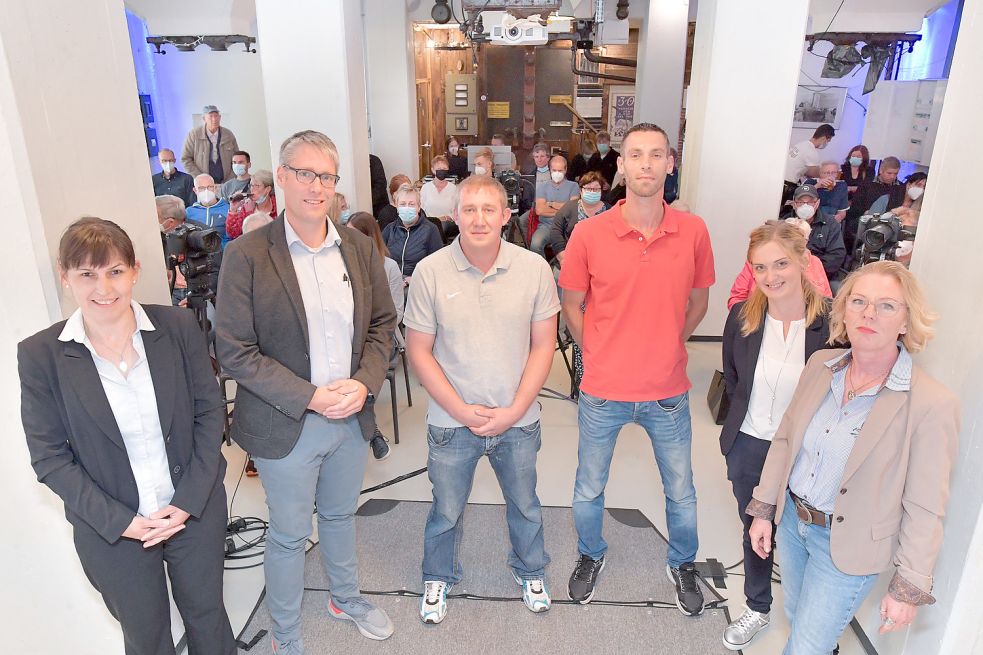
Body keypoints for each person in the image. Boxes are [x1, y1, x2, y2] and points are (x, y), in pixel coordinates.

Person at [215, 130, 398, 653]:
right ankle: (286, 636)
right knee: (290, 534)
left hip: (351, 416)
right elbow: (233, 348)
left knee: (341, 514)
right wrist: (311, 397)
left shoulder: (359, 248)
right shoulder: (247, 255)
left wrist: (364, 384)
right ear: (283, 176)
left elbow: (384, 324)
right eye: (305, 173)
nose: (317, 186)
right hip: (285, 421)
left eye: (327, 176)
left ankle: (345, 597)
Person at [19, 217, 236, 655]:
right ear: (66, 277)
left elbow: (210, 415)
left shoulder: (175, 328)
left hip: (192, 507)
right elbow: (49, 458)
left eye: (115, 271)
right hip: (112, 527)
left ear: (135, 270)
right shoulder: (41, 354)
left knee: (208, 619)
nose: (104, 288)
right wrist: (123, 523)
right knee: (145, 636)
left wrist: (186, 504)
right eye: (87, 274)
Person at [747, 261, 960, 654]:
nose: (868, 314)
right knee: (797, 617)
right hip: (794, 524)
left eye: (886, 306)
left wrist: (909, 587)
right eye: (858, 301)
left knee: (806, 647)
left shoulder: (931, 404)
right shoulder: (819, 368)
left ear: (906, 321)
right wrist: (764, 508)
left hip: (848, 547)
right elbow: (785, 439)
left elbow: (926, 505)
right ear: (843, 310)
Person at [558, 123, 715, 615]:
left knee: (682, 490)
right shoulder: (589, 232)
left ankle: (682, 562)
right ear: (619, 166)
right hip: (603, 389)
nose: (646, 164)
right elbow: (572, 306)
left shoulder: (693, 230)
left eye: (656, 155)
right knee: (588, 486)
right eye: (635, 155)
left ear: (671, 163)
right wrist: (600, 354)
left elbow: (699, 301)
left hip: (667, 391)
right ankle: (590, 554)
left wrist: (669, 343)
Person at [406, 174, 560, 624]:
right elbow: (419, 349)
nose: (478, 219)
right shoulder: (431, 272)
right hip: (452, 424)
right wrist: (459, 409)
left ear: (505, 216)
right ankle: (438, 575)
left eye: (488, 209)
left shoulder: (533, 270)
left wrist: (513, 411)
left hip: (519, 419)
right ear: (455, 216)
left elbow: (543, 347)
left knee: (525, 503)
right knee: (446, 510)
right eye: (469, 209)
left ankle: (531, 570)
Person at [719, 221, 831, 650]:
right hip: (749, 444)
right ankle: (757, 606)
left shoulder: (831, 324)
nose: (771, 276)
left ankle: (811, 623)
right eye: (760, 267)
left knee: (806, 538)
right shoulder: (742, 318)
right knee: (755, 530)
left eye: (781, 263)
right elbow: (733, 380)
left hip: (805, 453)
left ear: (804, 261)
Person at [348, 211, 405, 461]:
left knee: (362, 369)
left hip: (382, 339)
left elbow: (397, 314)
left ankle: (369, 433)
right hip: (350, 340)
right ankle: (372, 433)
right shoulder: (342, 264)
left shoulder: (389, 267)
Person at [381, 183, 443, 284]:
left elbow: (437, 264)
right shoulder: (390, 229)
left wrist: (410, 279)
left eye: (411, 204)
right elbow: (379, 258)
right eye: (402, 204)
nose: (407, 207)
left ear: (419, 207)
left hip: (417, 283)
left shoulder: (430, 230)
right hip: (392, 282)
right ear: (396, 207)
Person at [844, 157, 905, 254]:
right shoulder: (867, 185)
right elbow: (855, 207)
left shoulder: (901, 188)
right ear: (881, 170)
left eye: (895, 174)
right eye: (889, 173)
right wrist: (864, 213)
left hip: (889, 226)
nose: (892, 177)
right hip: (865, 222)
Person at [785, 184, 847, 280]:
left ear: (817, 203)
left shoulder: (830, 223)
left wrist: (812, 272)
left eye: (810, 202)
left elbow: (836, 255)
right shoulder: (785, 223)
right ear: (794, 204)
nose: (805, 205)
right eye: (801, 202)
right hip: (790, 275)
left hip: (820, 275)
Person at [549, 171, 609, 265]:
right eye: (588, 188)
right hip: (572, 258)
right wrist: (562, 256)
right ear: (581, 191)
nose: (592, 192)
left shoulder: (610, 210)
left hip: (603, 260)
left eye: (596, 189)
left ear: (601, 191)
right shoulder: (569, 208)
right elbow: (555, 231)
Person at [531, 155, 580, 256]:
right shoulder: (542, 187)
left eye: (560, 170)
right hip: (546, 226)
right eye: (554, 170)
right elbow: (539, 210)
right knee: (535, 245)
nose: (557, 173)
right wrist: (563, 210)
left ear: (566, 170)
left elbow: (573, 208)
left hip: (567, 227)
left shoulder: (574, 186)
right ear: (549, 170)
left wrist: (551, 204)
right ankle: (544, 269)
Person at [181, 105, 239, 183]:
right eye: (210, 116)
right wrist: (200, 178)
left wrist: (230, 179)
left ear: (220, 117)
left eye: (216, 116)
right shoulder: (194, 135)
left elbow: (237, 158)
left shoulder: (228, 135)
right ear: (204, 119)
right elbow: (186, 159)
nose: (214, 119)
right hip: (203, 183)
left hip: (227, 182)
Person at [784, 124, 835, 210]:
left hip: (782, 181)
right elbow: (812, 173)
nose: (826, 144)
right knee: (787, 212)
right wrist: (828, 175)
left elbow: (804, 169)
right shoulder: (811, 152)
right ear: (823, 138)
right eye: (828, 141)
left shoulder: (801, 145)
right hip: (788, 186)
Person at [225, 169, 277, 241]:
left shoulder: (278, 205)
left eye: (257, 186)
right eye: (251, 185)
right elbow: (233, 234)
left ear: (268, 189)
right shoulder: (247, 207)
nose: (252, 189)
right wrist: (233, 210)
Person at [186, 174, 231, 248]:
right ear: (195, 190)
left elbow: (233, 236)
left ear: (215, 188)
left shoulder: (228, 209)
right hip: (197, 256)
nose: (206, 191)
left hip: (222, 253)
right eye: (201, 188)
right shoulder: (188, 212)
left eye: (209, 187)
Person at [420, 155, 459, 239]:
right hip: (429, 222)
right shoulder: (425, 188)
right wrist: (437, 219)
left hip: (448, 223)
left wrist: (444, 218)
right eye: (439, 169)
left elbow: (456, 210)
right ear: (433, 170)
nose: (442, 171)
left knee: (441, 227)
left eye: (444, 169)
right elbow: (421, 210)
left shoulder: (453, 188)